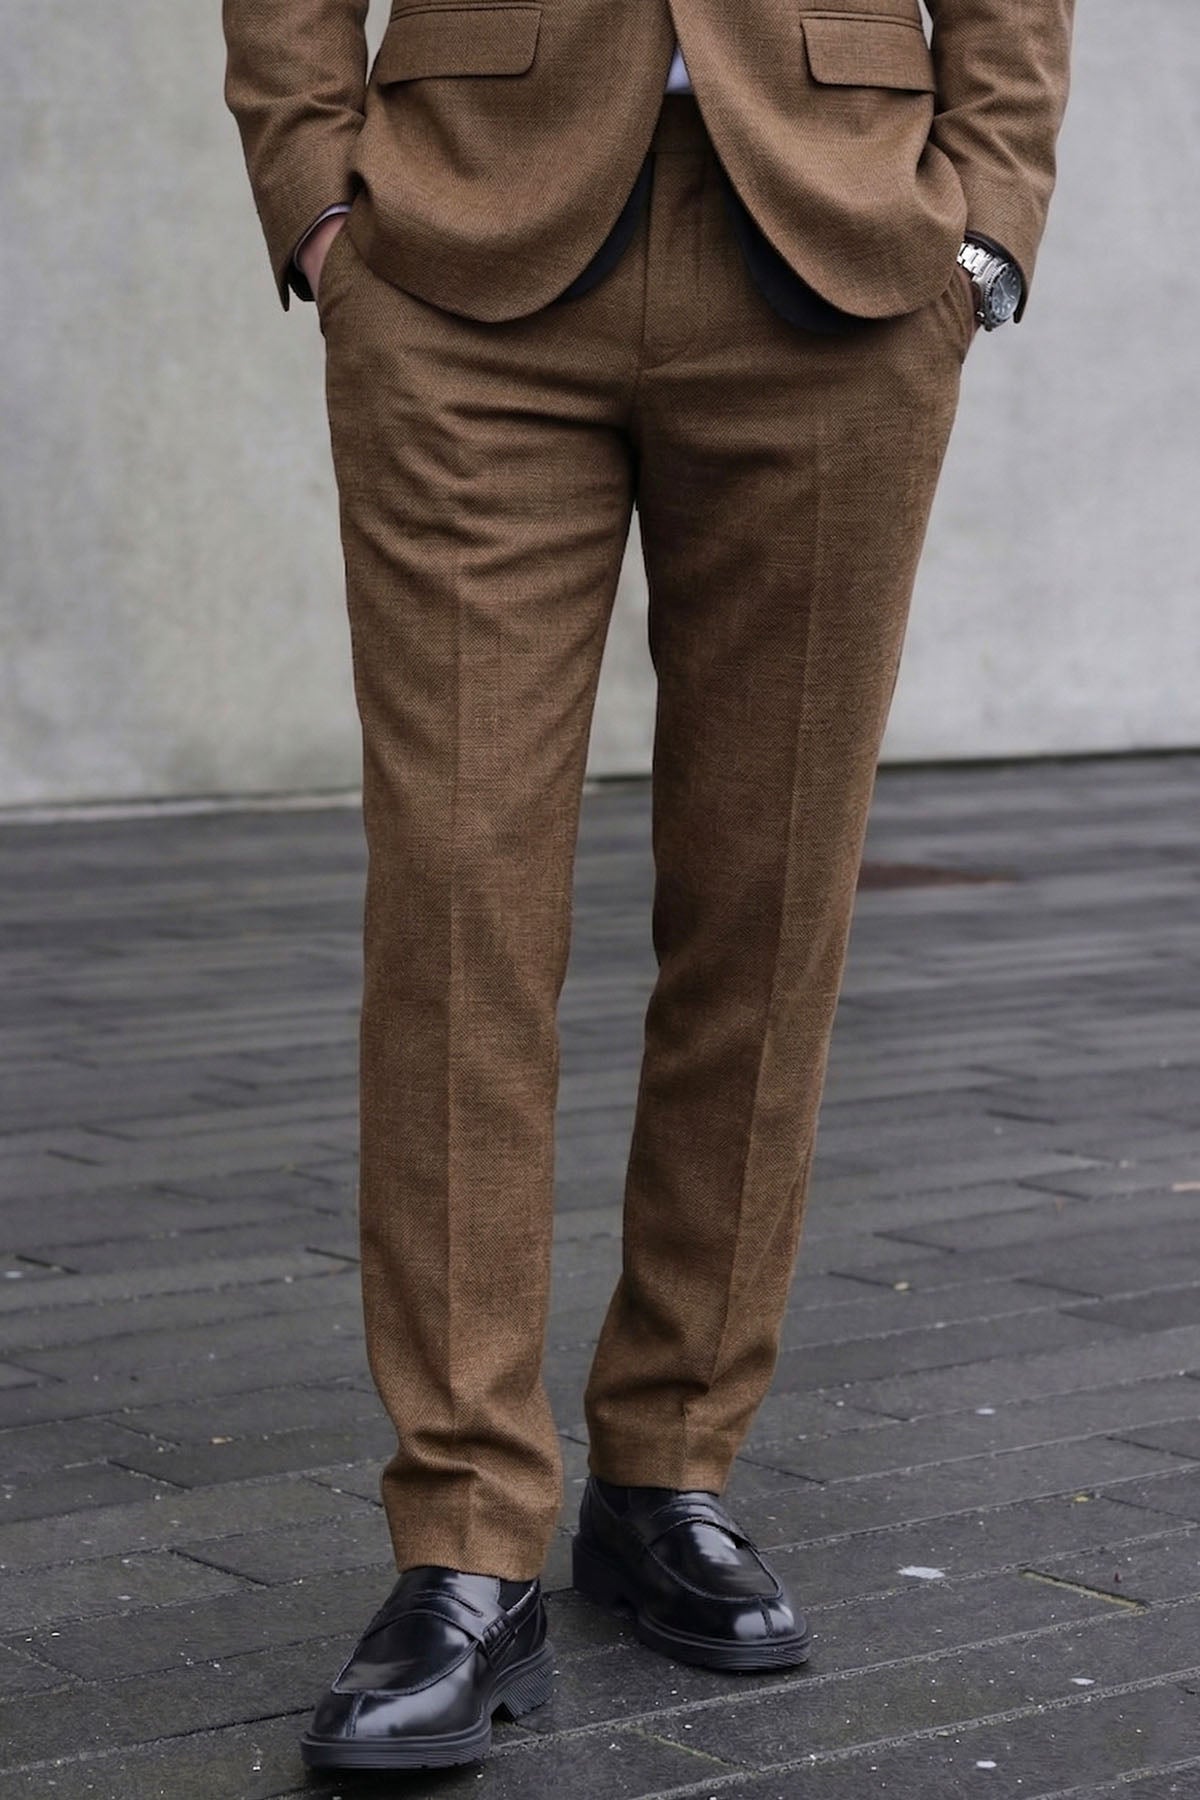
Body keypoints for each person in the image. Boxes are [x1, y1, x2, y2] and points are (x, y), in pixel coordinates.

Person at [222, 0, 1075, 1771]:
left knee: (768, 905)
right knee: (457, 902)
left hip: (841, 257)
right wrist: (314, 189)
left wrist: (988, 217)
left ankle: (671, 1463)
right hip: (460, 245)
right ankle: (467, 1535)